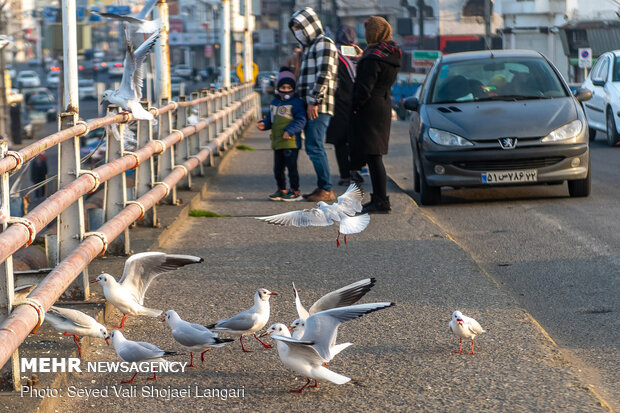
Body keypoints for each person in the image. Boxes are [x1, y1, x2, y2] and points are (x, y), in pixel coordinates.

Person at [350, 16, 402, 214]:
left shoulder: (372, 58)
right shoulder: (390, 53)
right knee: (374, 155)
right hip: (383, 105)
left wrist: (355, 106)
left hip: (370, 108)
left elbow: (364, 88)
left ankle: (381, 200)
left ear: (374, 33)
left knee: (373, 156)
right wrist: (363, 57)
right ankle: (380, 199)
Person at [289, 7, 339, 202]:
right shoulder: (311, 46)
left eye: (299, 27)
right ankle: (323, 187)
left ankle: (326, 188)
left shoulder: (324, 44)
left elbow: (324, 74)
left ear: (309, 26)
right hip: (310, 104)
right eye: (295, 28)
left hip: (319, 105)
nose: (298, 31)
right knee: (313, 145)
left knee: (315, 145)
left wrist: (314, 101)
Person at [257, 67, 307, 201]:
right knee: (277, 169)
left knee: (291, 168)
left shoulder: (296, 103)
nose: (285, 90)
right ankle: (282, 189)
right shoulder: (274, 102)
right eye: (283, 87)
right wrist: (264, 124)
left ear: (293, 88)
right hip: (277, 142)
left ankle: (295, 190)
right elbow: (270, 119)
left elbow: (301, 120)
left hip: (290, 142)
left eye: (288, 87)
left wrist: (290, 130)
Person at [325, 25, 362, 187]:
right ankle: (354, 170)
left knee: (341, 141)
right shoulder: (358, 55)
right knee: (354, 139)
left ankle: (346, 174)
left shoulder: (334, 54)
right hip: (356, 102)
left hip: (340, 103)